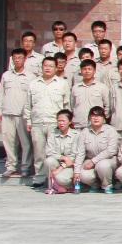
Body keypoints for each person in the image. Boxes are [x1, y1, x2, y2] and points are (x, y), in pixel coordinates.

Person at [26, 57, 71, 187]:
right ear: (42, 67)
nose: (47, 68)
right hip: (38, 123)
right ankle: (39, 177)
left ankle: (55, 177)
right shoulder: (33, 84)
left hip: (55, 124)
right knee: (39, 152)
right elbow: (28, 105)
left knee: (55, 152)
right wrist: (28, 121)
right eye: (45, 65)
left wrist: (65, 123)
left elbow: (66, 105)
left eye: (51, 66)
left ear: (56, 68)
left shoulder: (62, 83)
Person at [0, 48, 32, 180]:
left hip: (22, 115)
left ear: (25, 59)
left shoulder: (31, 77)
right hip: (7, 113)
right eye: (15, 58)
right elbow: (0, 93)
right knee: (9, 142)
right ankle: (11, 166)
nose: (17, 60)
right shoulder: (6, 75)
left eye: (20, 58)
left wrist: (29, 116)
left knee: (25, 143)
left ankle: (25, 167)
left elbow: (31, 97)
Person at [75, 106, 120, 193]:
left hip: (108, 160)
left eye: (99, 116)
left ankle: (107, 185)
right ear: (89, 118)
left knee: (102, 165)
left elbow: (111, 150)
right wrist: (76, 172)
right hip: (90, 160)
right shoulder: (84, 132)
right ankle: (96, 184)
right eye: (93, 116)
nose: (96, 118)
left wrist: (94, 161)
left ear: (103, 118)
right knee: (83, 175)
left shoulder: (111, 130)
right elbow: (80, 153)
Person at [43, 109, 79, 194]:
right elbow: (49, 152)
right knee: (48, 161)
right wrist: (62, 157)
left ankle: (67, 186)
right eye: (59, 121)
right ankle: (54, 186)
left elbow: (73, 157)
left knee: (62, 179)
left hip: (69, 166)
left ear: (70, 122)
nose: (61, 123)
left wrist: (61, 168)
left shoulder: (76, 135)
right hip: (57, 162)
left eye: (63, 121)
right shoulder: (53, 134)